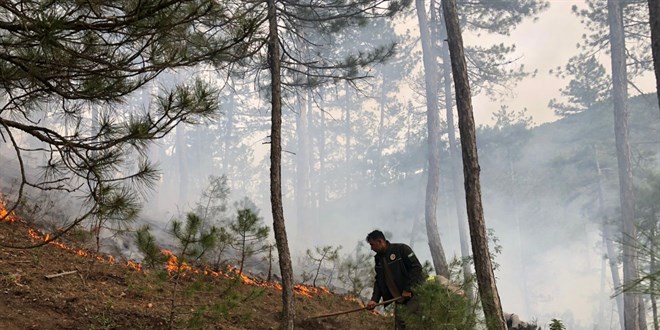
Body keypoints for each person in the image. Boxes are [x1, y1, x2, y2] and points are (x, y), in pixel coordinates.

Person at [365, 230, 425, 330]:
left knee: (408, 321)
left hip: (414, 295)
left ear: (380, 241)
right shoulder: (378, 259)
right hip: (399, 298)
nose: (371, 248)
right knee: (399, 325)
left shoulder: (401, 249)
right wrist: (374, 300)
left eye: (372, 244)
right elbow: (379, 281)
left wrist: (408, 289)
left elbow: (416, 268)